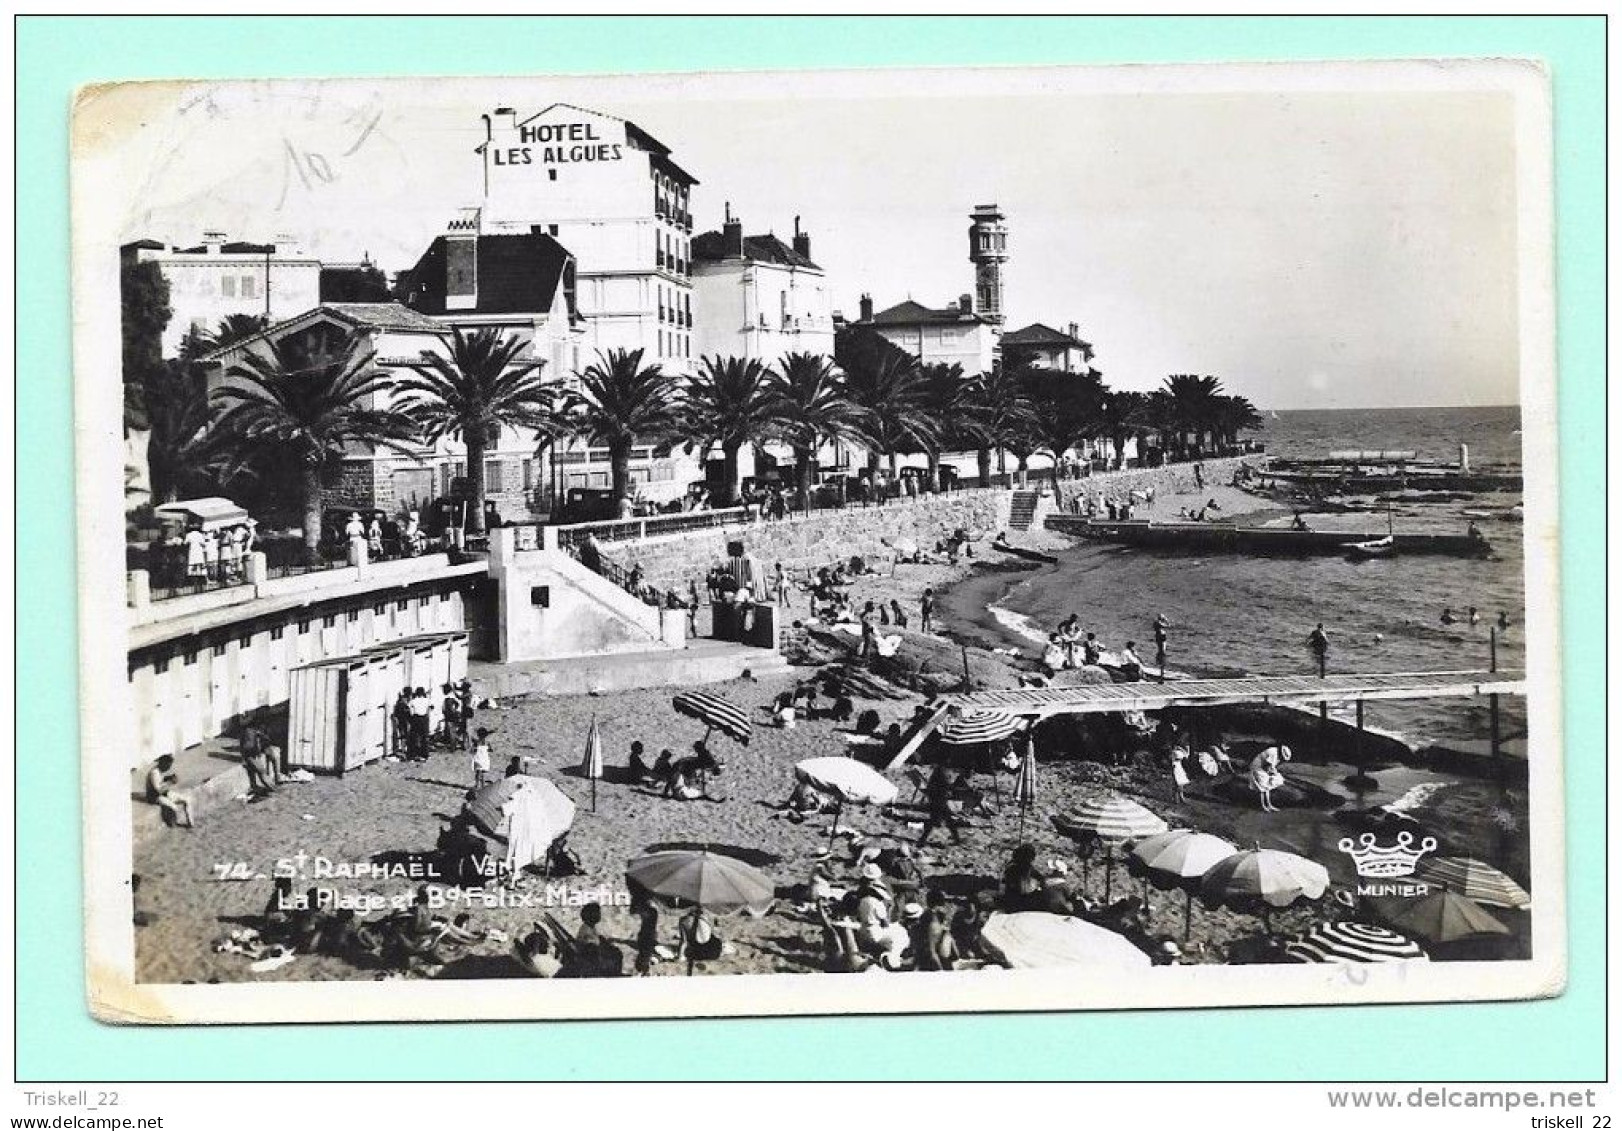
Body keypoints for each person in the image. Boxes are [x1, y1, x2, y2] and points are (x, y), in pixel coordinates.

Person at [912, 888, 960, 972]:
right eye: (945, 903)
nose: (947, 906)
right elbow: (931, 951)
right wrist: (941, 971)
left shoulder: (926, 917)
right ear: (940, 904)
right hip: (933, 965)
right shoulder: (933, 922)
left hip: (927, 961)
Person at [917, 762, 963, 847]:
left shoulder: (938, 772)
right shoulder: (941, 773)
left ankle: (922, 840)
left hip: (938, 800)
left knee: (937, 821)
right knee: (944, 820)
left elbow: (936, 787)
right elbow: (945, 786)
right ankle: (957, 839)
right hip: (939, 800)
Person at [145, 754, 194, 828]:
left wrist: (168, 778)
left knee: (186, 800)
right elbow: (158, 791)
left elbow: (160, 781)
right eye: (168, 766)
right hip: (154, 797)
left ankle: (190, 823)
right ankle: (173, 824)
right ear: (163, 763)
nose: (169, 768)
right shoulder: (154, 772)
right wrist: (170, 782)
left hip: (164, 793)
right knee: (173, 807)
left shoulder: (160, 770)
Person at [676, 907, 723, 975]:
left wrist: (680, 957)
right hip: (708, 952)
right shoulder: (706, 919)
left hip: (694, 951)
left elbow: (684, 941)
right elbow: (714, 936)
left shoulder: (683, 920)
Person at [1249, 745, 1291, 813]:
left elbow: (1271, 767)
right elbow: (1268, 766)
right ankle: (1263, 806)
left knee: (1267, 787)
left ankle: (1269, 805)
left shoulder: (1276, 754)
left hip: (1263, 768)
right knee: (1262, 787)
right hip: (1258, 767)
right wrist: (1273, 773)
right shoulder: (1272, 752)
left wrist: (1274, 773)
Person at [631, 896, 661, 976]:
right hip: (649, 935)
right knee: (645, 954)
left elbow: (633, 911)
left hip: (645, 934)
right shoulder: (652, 911)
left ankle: (642, 970)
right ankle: (643, 970)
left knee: (644, 954)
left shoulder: (649, 911)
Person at [407, 687, 433, 761]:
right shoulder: (427, 700)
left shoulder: (413, 701)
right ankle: (425, 755)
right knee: (425, 737)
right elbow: (431, 707)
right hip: (424, 718)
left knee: (414, 737)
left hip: (416, 718)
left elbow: (409, 708)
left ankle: (413, 755)